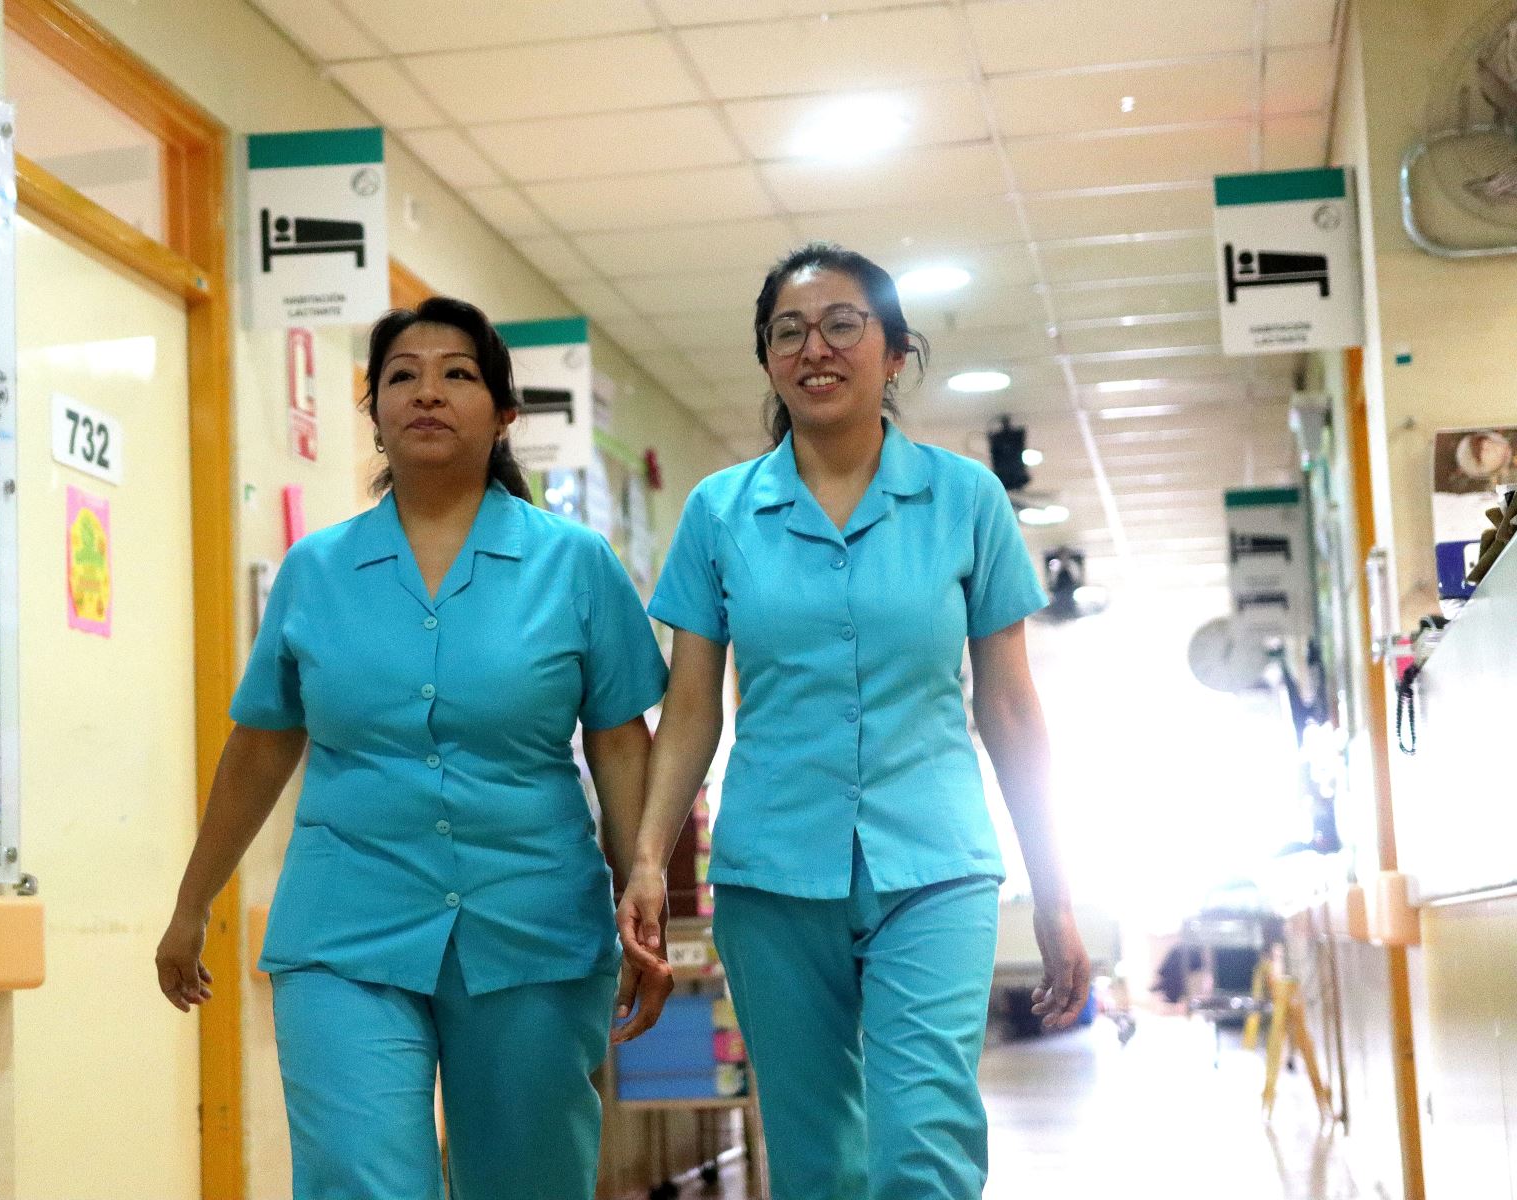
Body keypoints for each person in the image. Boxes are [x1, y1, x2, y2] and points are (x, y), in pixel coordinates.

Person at [155, 296, 674, 1200]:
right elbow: (261, 745)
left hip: (533, 925)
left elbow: (621, 745)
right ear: (376, 414)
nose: (427, 392)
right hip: (346, 925)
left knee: (529, 1180)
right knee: (360, 1177)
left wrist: (643, 889)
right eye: (402, 376)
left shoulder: (576, 565)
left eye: (458, 375)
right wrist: (193, 900)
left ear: (505, 414)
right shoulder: (315, 571)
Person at [617, 244, 1090, 1199]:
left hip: (936, 864)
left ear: (895, 352)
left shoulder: (965, 500)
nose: (815, 348)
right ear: (766, 361)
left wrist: (1056, 885)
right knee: (816, 1157)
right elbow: (694, 706)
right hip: (772, 872)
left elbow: (1009, 708)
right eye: (787, 332)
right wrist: (647, 860)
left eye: (843, 325)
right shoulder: (720, 513)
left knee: (923, 1140)